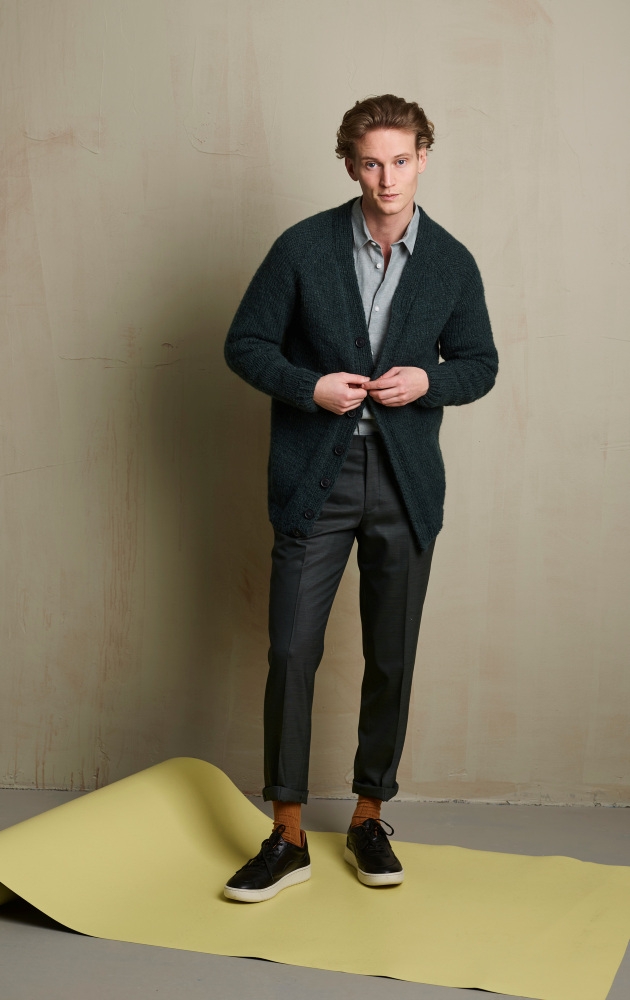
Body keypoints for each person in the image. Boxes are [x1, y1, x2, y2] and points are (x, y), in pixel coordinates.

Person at [222, 94, 498, 902]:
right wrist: (308, 386)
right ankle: (287, 833)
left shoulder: (450, 261)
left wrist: (429, 381)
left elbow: (479, 363)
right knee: (291, 652)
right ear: (350, 164)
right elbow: (245, 343)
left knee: (392, 656)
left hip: (405, 487)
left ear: (423, 159)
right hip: (316, 478)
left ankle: (370, 816)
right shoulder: (302, 248)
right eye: (372, 162)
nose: (387, 178)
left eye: (401, 160)